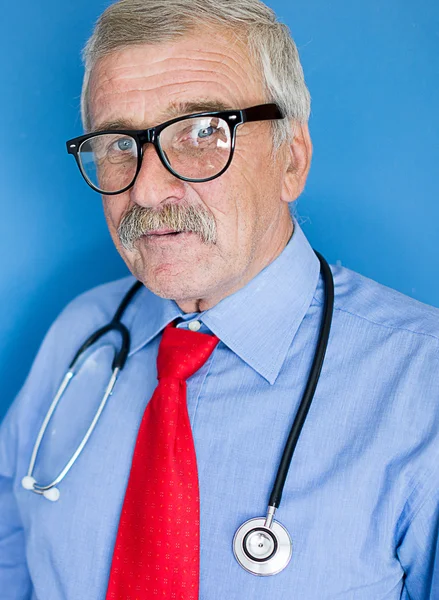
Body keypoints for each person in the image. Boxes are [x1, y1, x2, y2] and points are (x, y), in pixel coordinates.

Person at [1, 0, 438, 598]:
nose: (148, 190)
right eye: (118, 143)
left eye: (203, 133)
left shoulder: (424, 384)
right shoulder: (79, 335)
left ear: (291, 157)